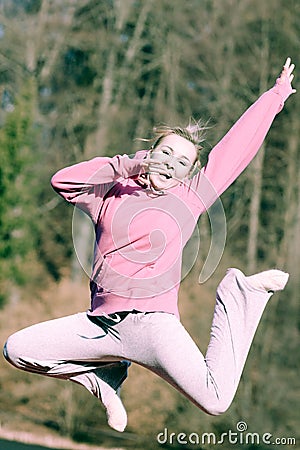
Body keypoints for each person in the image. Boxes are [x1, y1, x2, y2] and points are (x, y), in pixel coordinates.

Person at [3, 58, 296, 433]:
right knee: (18, 349)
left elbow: (235, 150)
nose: (172, 163)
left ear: (189, 173)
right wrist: (126, 166)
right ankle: (104, 377)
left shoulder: (189, 198)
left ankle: (238, 291)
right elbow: (63, 181)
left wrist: (274, 97)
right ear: (149, 154)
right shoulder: (111, 191)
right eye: (167, 152)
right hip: (99, 325)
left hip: (152, 326)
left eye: (183, 161)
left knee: (216, 399)